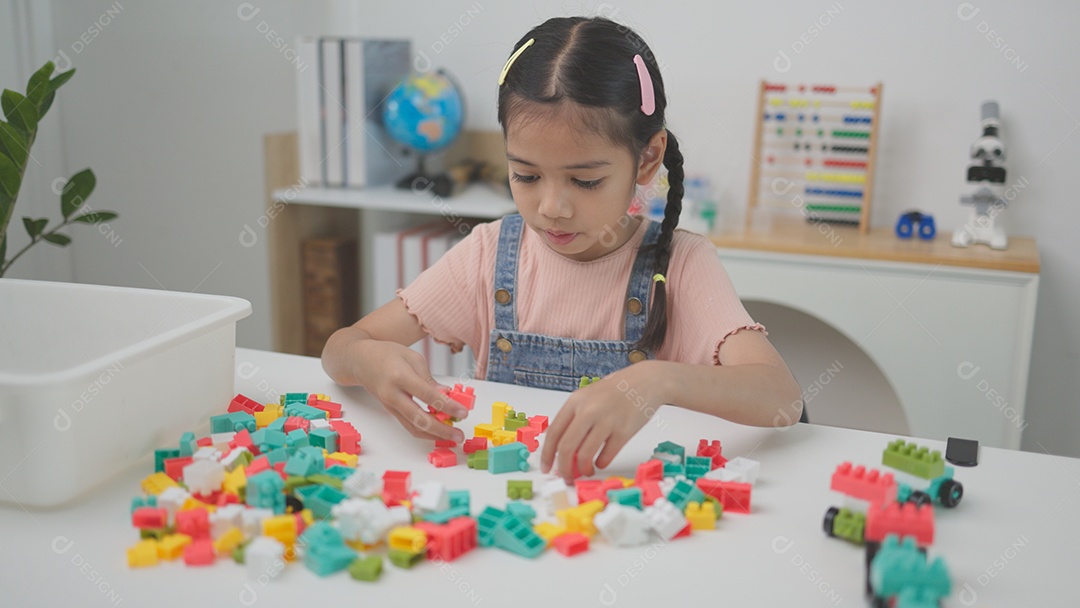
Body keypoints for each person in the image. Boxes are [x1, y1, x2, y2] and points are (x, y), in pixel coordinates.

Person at [322, 16, 802, 481]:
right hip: (514, 511)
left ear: (647, 158)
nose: (552, 207)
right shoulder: (488, 254)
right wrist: (370, 362)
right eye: (526, 176)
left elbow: (781, 397)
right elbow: (341, 348)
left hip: (627, 510)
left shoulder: (681, 264)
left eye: (585, 180)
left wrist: (659, 382)